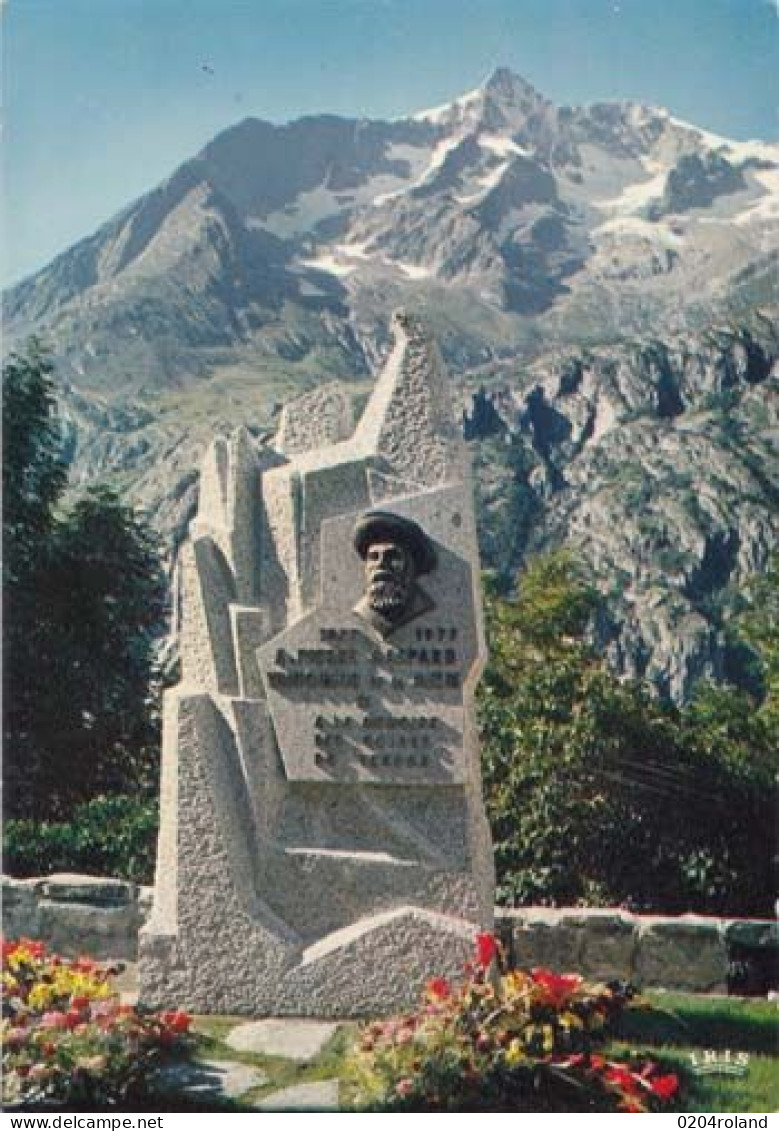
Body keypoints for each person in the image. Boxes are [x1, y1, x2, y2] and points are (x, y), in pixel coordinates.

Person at [352, 510, 437, 636]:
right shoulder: (362, 609)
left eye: (392, 556)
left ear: (412, 567)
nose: (380, 564)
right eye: (374, 557)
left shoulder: (422, 604)